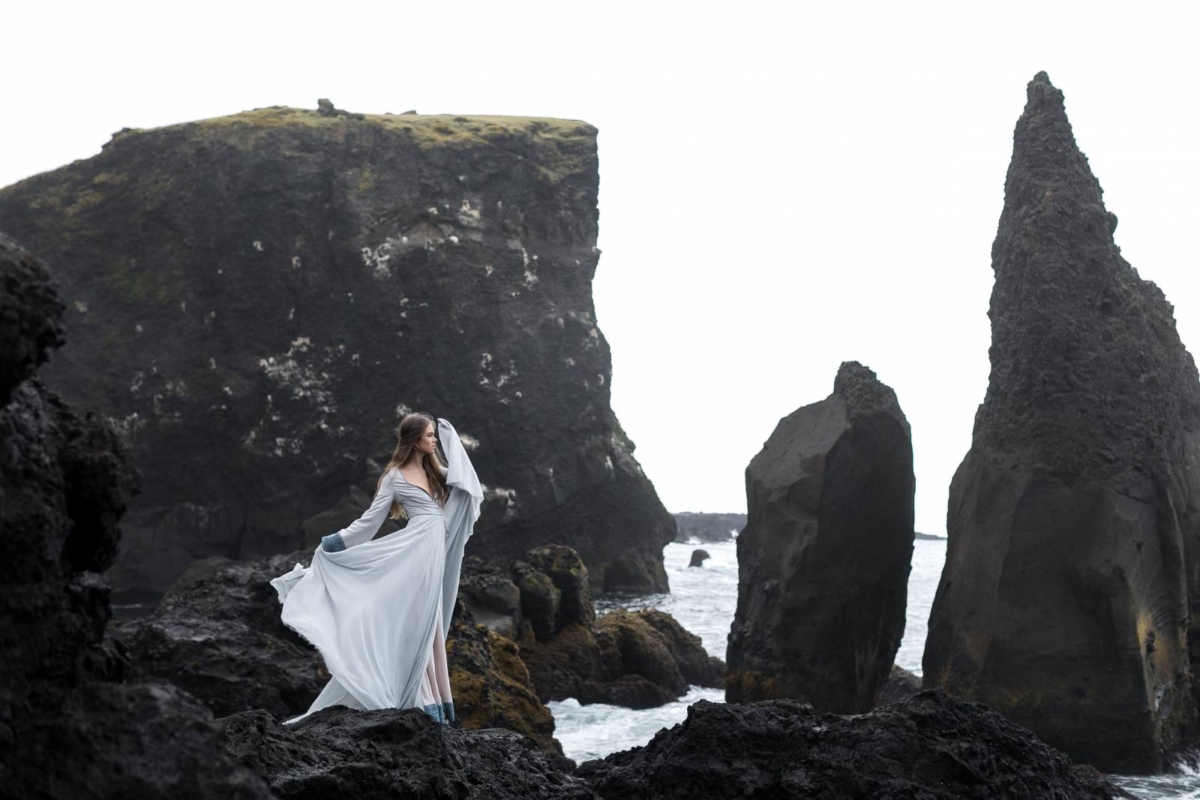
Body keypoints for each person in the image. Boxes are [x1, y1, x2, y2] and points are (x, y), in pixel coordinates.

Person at [270, 413, 483, 725]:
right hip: (411, 554)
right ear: (413, 440)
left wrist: (452, 441)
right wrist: (334, 543)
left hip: (432, 555)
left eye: (435, 435)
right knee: (414, 621)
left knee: (429, 622)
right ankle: (414, 700)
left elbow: (466, 482)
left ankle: (430, 701)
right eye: (430, 435)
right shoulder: (394, 477)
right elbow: (369, 522)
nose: (434, 440)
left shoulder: (435, 471)